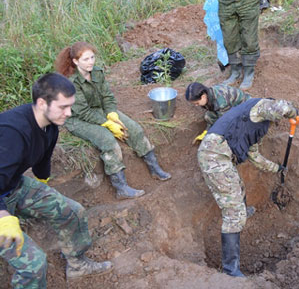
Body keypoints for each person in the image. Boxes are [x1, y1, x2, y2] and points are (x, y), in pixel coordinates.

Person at [0, 73, 113, 287]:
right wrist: (3, 216)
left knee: (72, 212)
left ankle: (78, 265)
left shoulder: (49, 124)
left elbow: (43, 156)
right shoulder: (11, 132)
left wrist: (42, 182)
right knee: (34, 265)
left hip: (12, 186)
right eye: (63, 107)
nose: (69, 113)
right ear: (42, 103)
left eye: (70, 106)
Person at [54, 42, 171, 200]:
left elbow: (107, 97)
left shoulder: (96, 72)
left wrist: (112, 115)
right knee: (108, 141)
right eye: (86, 59)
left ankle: (154, 168)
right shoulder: (71, 82)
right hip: (77, 118)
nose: (91, 62)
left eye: (92, 57)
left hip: (99, 109)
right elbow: (82, 111)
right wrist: (106, 123)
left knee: (134, 129)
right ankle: (121, 187)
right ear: (75, 61)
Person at [197, 98, 298, 277]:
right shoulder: (259, 107)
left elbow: (254, 155)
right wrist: (293, 114)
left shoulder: (255, 126)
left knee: (238, 187)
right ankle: (230, 269)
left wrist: (276, 168)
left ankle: (242, 212)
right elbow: (282, 107)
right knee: (233, 211)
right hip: (213, 155)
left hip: (219, 154)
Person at [184, 82, 250, 143]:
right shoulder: (208, 94)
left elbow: (224, 122)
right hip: (229, 108)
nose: (196, 105)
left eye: (197, 103)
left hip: (246, 107)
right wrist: (206, 132)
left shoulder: (220, 101)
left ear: (203, 96)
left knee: (232, 129)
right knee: (208, 116)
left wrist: (213, 136)